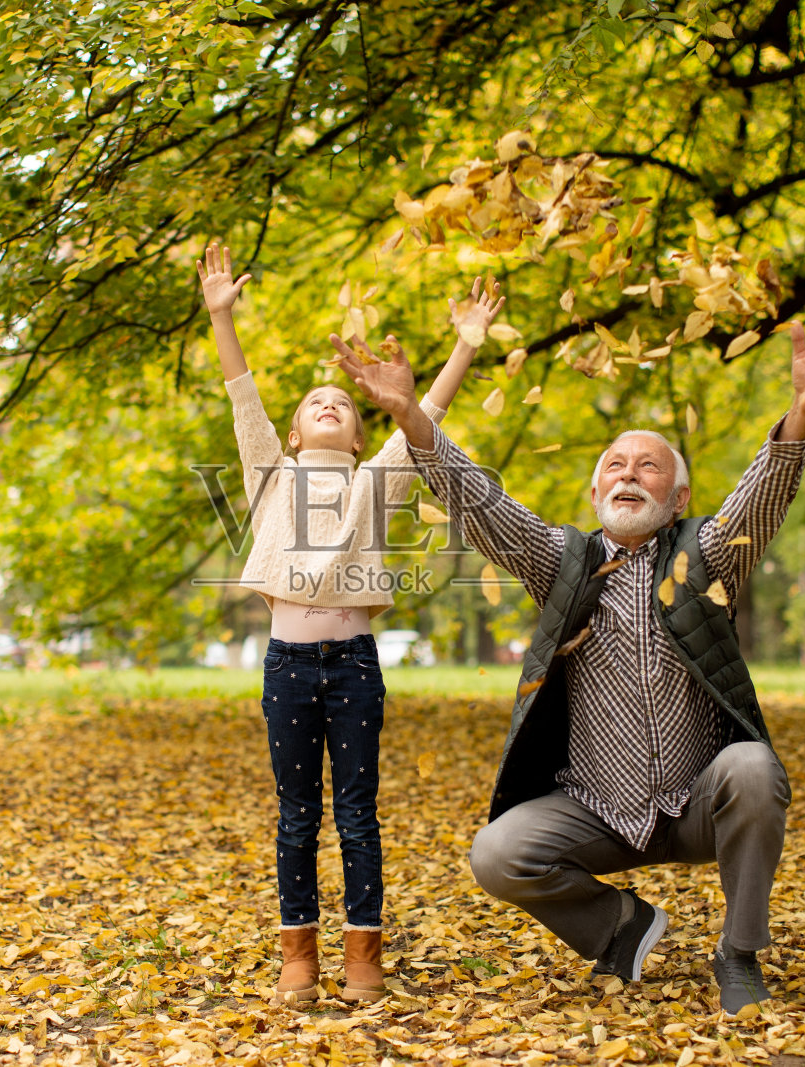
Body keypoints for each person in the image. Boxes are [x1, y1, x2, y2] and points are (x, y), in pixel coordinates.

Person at [334, 307, 805, 1013]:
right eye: (615, 464)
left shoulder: (704, 557)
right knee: (496, 852)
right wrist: (410, 417)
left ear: (678, 498)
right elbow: (483, 505)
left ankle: (738, 953)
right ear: (594, 493)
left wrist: (802, 412)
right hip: (597, 807)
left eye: (649, 465)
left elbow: (759, 500)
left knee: (756, 767)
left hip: (696, 800)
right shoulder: (561, 561)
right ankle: (621, 927)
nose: (629, 473)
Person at [196, 242, 504, 1004]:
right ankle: (297, 954)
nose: (328, 403)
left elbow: (425, 412)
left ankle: (364, 952)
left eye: (341, 402)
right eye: (312, 403)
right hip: (289, 665)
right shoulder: (271, 474)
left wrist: (464, 344)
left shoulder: (377, 480)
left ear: (362, 436)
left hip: (355, 664)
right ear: (295, 434)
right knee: (297, 815)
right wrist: (221, 316)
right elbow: (243, 396)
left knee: (358, 815)